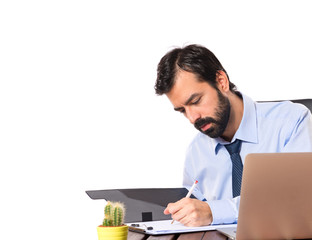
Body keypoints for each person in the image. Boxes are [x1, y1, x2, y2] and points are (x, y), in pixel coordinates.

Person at [154, 44, 312, 227]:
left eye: (196, 101)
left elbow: (299, 199)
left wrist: (214, 211)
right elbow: (195, 216)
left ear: (222, 81)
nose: (192, 118)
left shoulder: (291, 122)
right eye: (182, 110)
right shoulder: (196, 152)